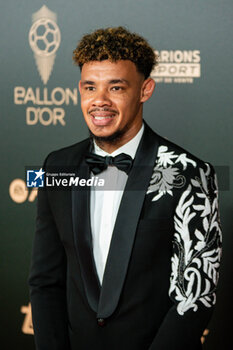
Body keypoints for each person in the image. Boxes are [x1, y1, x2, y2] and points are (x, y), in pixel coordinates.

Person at [28, 27, 222, 350]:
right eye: (90, 87)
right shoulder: (55, 167)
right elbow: (45, 282)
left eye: (115, 87)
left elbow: (195, 298)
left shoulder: (191, 173)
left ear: (145, 90)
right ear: (80, 90)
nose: (99, 101)